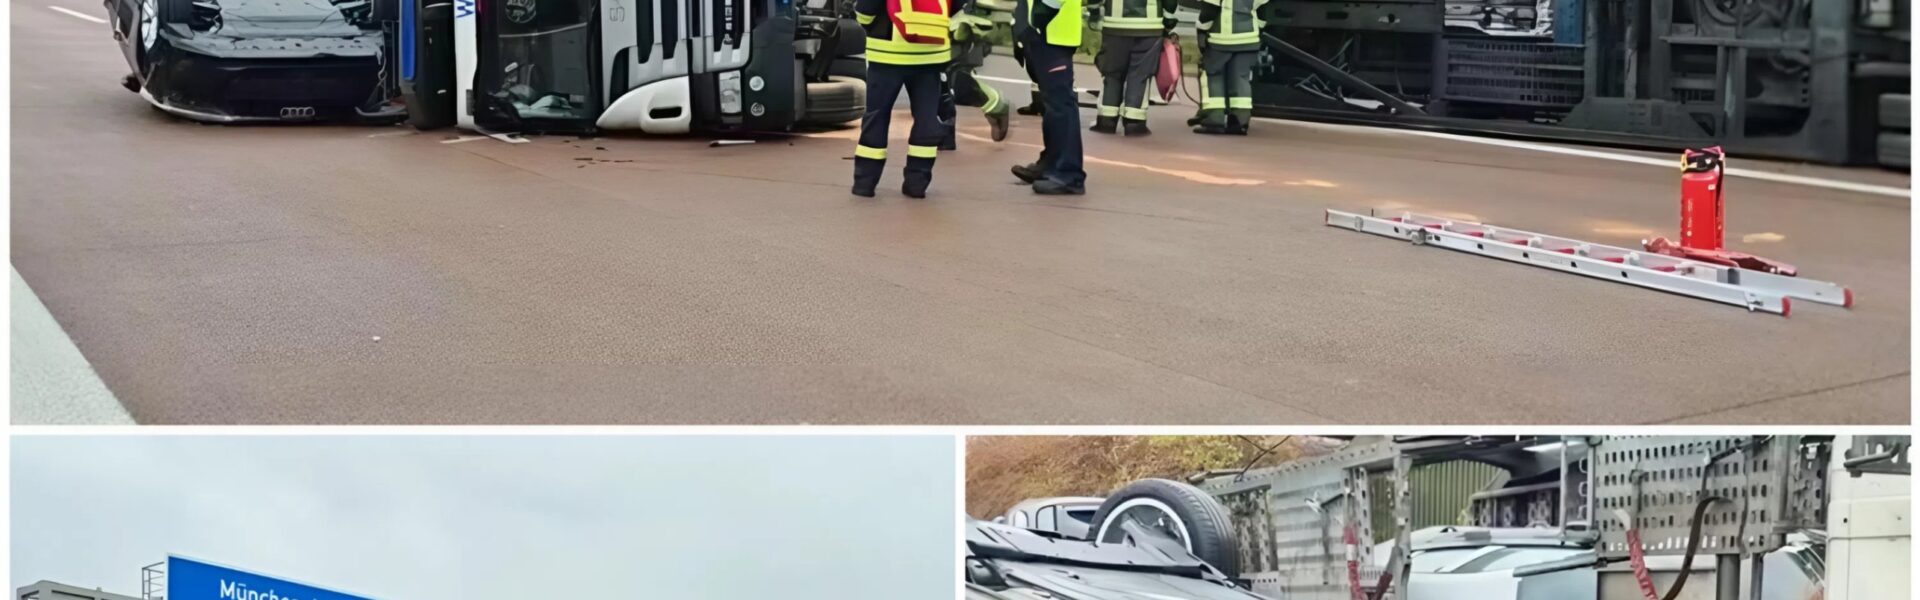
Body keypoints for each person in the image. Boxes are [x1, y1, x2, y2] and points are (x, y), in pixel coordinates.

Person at [852, 0, 958, 198]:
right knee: (926, 119)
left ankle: (864, 184)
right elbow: (958, 8)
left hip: (887, 55)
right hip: (931, 55)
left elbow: (865, 13)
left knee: (877, 118)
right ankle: (917, 183)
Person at [1010, 0, 1087, 195]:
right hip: (1044, 31)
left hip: (1052, 30)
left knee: (1061, 103)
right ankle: (1052, 162)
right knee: (1052, 103)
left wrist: (1036, 21)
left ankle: (1069, 173)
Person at [1088, 0, 1175, 136]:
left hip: (1114, 26)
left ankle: (1106, 120)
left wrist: (1094, 13)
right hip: (1149, 27)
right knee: (1140, 74)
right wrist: (1168, 22)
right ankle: (1134, 122)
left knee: (1112, 73)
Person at [938, 0, 1013, 150]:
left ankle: (994, 103)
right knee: (939, 78)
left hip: (963, 22)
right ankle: (942, 136)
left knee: (952, 79)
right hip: (934, 21)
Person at [1192, 0, 1263, 135]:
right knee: (1241, 78)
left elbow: (1209, 10)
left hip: (1220, 40)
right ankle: (1239, 121)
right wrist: (1259, 28)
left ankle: (1214, 119)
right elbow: (1263, 11)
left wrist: (1201, 29)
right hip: (1249, 39)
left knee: (1214, 76)